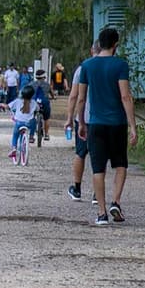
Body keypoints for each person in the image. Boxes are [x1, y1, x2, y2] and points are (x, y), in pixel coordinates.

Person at [73, 28, 138, 226]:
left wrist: (81, 122)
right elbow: (125, 96)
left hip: (95, 123)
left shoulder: (87, 66)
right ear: (116, 45)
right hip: (117, 123)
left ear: (99, 44)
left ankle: (101, 213)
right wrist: (133, 126)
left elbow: (81, 98)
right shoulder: (120, 65)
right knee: (120, 164)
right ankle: (115, 202)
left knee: (97, 168)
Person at [64, 41, 100, 202]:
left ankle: (77, 189)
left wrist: (69, 118)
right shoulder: (112, 67)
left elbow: (74, 96)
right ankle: (96, 193)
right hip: (103, 118)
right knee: (98, 155)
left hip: (84, 117)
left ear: (92, 50)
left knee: (81, 153)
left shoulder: (82, 68)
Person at [8, 85, 39, 163]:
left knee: (15, 135)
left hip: (19, 123)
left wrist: (3, 105)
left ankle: (14, 148)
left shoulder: (17, 101)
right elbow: (38, 109)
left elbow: (8, 106)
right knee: (34, 120)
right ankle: (31, 136)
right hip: (29, 124)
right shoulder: (34, 103)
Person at [29, 68, 53, 137]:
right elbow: (51, 93)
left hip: (34, 103)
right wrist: (53, 97)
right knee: (46, 118)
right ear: (44, 77)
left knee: (32, 117)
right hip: (44, 103)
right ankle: (46, 134)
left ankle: (31, 135)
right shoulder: (47, 85)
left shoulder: (31, 84)